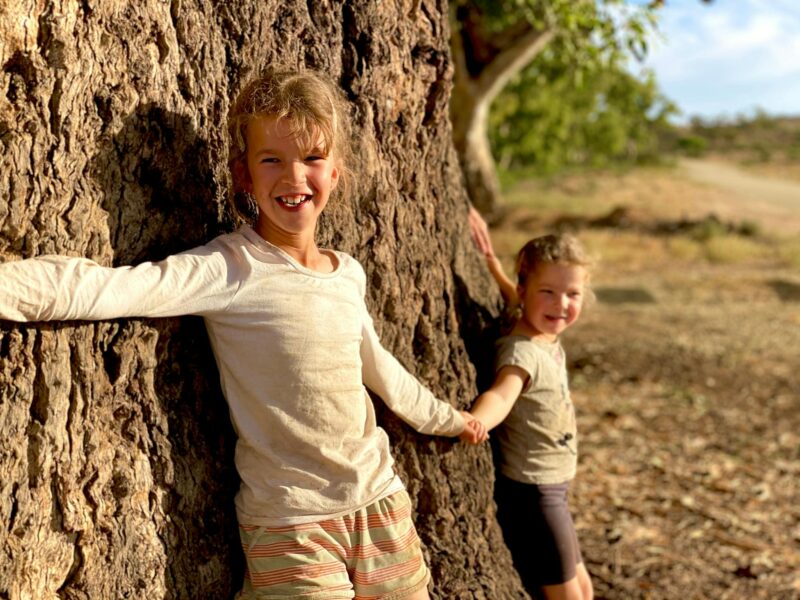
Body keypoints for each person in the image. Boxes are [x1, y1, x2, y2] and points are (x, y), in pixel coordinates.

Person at [0, 68, 486, 600]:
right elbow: (106, 289)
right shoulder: (232, 267)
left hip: (380, 503)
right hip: (291, 521)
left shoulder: (347, 273)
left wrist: (448, 419)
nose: (293, 176)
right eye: (271, 159)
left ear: (336, 174)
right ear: (243, 176)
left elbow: (381, 369)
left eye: (312, 159)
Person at [467, 206, 595, 600]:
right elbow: (503, 393)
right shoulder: (521, 352)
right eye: (549, 293)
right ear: (526, 291)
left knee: (585, 589)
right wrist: (476, 421)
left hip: (556, 485)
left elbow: (514, 294)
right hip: (533, 492)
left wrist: (491, 263)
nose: (561, 305)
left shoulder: (536, 327)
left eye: (573, 294)